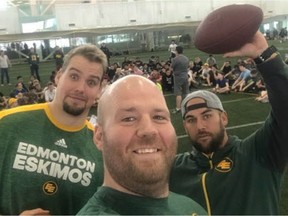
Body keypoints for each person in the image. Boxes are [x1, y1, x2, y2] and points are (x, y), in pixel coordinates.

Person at [169, 31, 288, 215]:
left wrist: (264, 55)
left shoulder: (258, 153)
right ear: (184, 126)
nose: (200, 126)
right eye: (191, 120)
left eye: (207, 115)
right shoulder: (173, 169)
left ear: (224, 118)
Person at [0, 44, 107, 215]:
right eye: (74, 76)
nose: (80, 88)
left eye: (91, 82)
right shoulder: (6, 124)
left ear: (100, 90)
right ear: (58, 76)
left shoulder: (102, 148)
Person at [77, 75, 207, 215]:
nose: (149, 130)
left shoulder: (189, 206)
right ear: (99, 137)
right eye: (129, 118)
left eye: (159, 117)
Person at [170, 46, 189, 114]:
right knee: (186, 92)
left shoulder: (175, 59)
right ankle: (187, 106)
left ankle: (178, 108)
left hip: (178, 77)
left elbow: (172, 68)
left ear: (177, 51)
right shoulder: (186, 58)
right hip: (185, 76)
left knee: (178, 93)